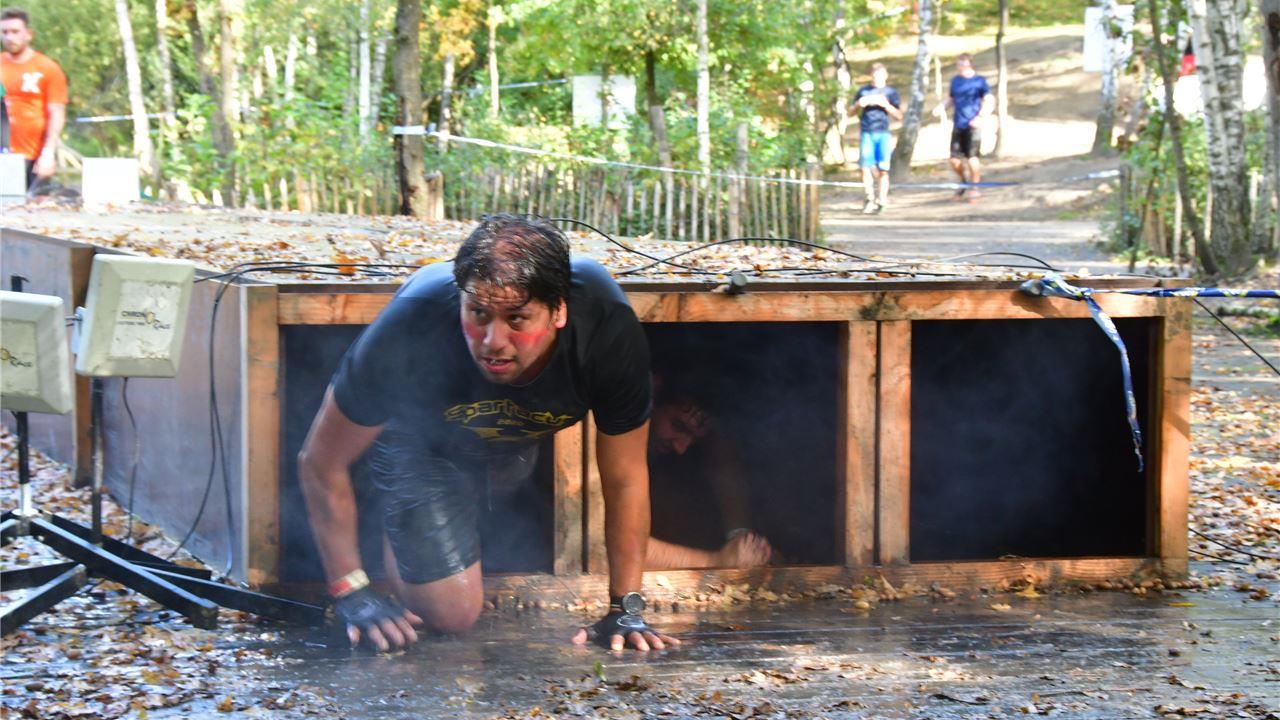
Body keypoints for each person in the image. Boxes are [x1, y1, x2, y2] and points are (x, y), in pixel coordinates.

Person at [298, 215, 678, 654]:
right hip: (420, 446)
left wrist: (626, 608)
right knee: (453, 613)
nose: (493, 341)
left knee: (508, 514)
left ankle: (436, 524)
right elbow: (319, 461)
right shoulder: (413, 323)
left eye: (517, 319)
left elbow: (626, 477)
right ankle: (401, 520)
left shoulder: (606, 327)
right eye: (478, 314)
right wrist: (351, 591)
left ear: (559, 311)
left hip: (512, 449)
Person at [644, 375, 773, 570]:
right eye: (678, 426)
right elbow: (615, 548)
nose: (681, 448)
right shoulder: (619, 427)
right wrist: (714, 562)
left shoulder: (689, 455)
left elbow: (724, 457)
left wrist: (740, 537)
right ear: (653, 397)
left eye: (693, 438)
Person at [0, 7, 66, 191]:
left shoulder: (47, 68)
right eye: (4, 32)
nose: (9, 37)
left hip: (34, 157)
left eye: (15, 31)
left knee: (34, 205)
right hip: (3, 155)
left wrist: (48, 152)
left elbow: (57, 113)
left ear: (28, 34)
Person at [849, 63, 902, 214]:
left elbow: (899, 115)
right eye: (874, 76)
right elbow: (850, 112)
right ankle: (869, 198)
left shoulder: (891, 92)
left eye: (880, 76)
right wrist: (858, 104)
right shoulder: (863, 91)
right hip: (867, 132)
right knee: (865, 167)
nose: (877, 78)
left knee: (883, 169)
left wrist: (885, 105)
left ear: (885, 76)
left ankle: (882, 200)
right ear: (871, 76)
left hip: (883, 133)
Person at [944, 53, 993, 201]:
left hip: (973, 124)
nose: (960, 66)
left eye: (963, 63)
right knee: (954, 160)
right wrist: (942, 107)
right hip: (958, 123)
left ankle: (974, 188)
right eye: (958, 63)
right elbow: (951, 98)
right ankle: (963, 182)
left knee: (972, 158)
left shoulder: (979, 81)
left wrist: (981, 116)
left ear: (970, 64)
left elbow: (989, 99)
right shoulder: (955, 81)